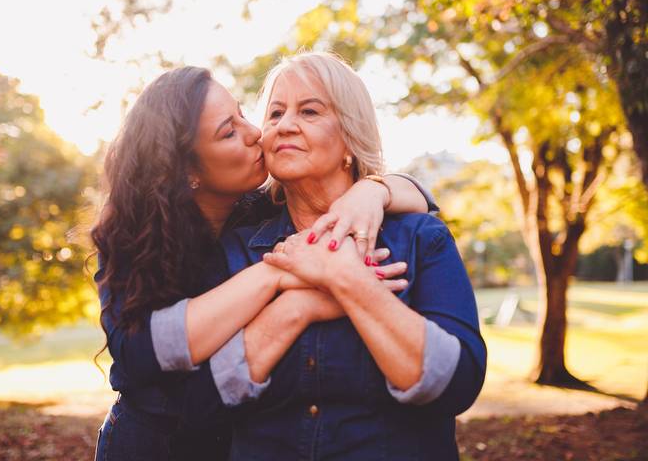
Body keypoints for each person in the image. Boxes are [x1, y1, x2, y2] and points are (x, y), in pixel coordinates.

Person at [90, 66, 438, 460]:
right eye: (228, 131)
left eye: (242, 113)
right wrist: (283, 274)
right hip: (153, 446)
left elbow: (423, 201)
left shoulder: (259, 211)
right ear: (187, 171)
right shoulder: (133, 235)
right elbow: (141, 353)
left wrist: (373, 192)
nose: (255, 132)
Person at [170, 52, 487, 460]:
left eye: (310, 111)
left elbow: (458, 385)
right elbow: (199, 407)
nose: (285, 125)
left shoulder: (421, 239)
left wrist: (348, 280)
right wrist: (298, 306)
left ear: (350, 139)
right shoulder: (237, 249)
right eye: (276, 113)